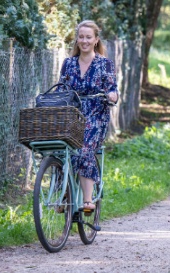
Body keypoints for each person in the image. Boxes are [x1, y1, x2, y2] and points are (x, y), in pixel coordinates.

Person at [58, 20, 118, 211]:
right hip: (72, 115)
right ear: (77, 40)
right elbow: (61, 89)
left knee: (84, 150)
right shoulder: (68, 64)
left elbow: (113, 90)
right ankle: (64, 190)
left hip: (96, 115)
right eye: (81, 37)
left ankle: (87, 200)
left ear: (95, 40)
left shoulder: (104, 64)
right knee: (59, 149)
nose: (84, 41)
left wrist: (111, 95)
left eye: (88, 37)